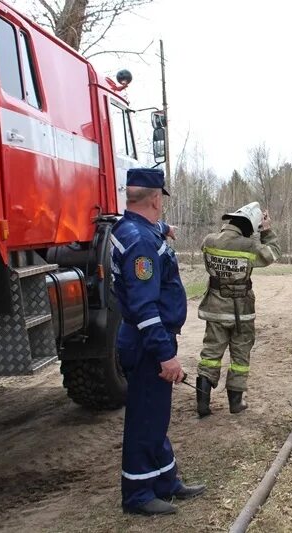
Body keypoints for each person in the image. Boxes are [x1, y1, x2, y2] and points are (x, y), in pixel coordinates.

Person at [111, 168, 206, 515]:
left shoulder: (135, 230)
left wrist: (164, 229)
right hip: (148, 341)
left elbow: (146, 231)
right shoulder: (141, 243)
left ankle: (165, 481)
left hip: (147, 339)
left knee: (156, 415)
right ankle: (137, 495)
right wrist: (165, 355)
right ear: (155, 198)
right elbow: (144, 307)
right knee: (144, 419)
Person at [195, 202, 281, 417]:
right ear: (250, 226)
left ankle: (203, 404)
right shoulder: (248, 247)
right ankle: (236, 403)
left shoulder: (209, 240)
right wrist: (267, 230)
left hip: (215, 309)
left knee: (210, 354)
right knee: (240, 357)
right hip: (242, 312)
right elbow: (272, 253)